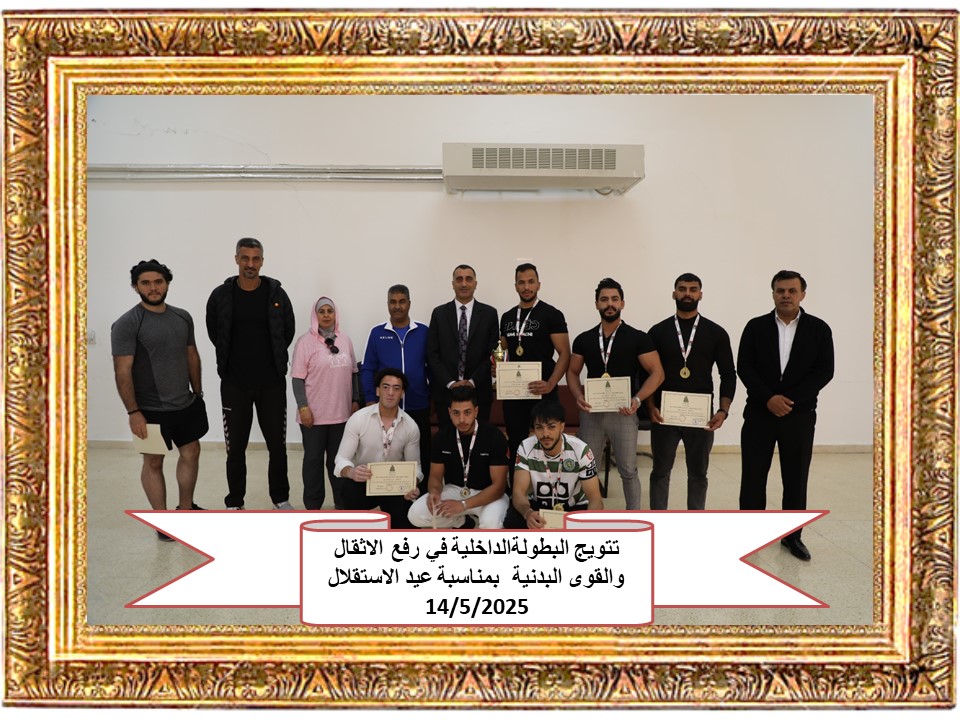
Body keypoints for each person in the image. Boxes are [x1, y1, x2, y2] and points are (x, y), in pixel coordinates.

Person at [737, 270, 835, 561]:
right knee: (753, 477)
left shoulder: (819, 329)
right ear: (773, 294)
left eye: (792, 291)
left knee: (795, 477)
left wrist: (789, 400)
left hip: (799, 416)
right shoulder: (755, 327)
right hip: (760, 413)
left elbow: (824, 371)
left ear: (803, 294)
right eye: (780, 290)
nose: (786, 296)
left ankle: (792, 537)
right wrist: (769, 398)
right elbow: (745, 366)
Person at [111, 259, 209, 541]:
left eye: (158, 282)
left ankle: (186, 509)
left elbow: (191, 355)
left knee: (191, 453)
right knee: (154, 463)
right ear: (135, 287)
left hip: (185, 403)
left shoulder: (182, 317)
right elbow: (122, 370)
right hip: (149, 409)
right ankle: (163, 522)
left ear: (167, 283)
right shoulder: (127, 323)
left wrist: (198, 393)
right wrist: (133, 412)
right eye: (145, 283)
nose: (153, 288)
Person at [205, 237, 295, 511]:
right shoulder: (221, 295)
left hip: (271, 384)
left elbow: (287, 331)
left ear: (262, 262)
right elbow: (214, 332)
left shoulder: (277, 294)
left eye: (255, 259)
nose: (250, 264)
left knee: (277, 446)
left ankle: (280, 498)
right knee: (235, 448)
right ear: (236, 259)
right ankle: (235, 502)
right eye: (245, 258)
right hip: (235, 384)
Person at [566, 278, 665, 510]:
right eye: (604, 299)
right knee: (586, 468)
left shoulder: (638, 338)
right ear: (596, 304)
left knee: (628, 470)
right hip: (592, 413)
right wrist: (577, 395)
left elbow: (658, 373)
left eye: (614, 299)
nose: (609, 304)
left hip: (624, 413)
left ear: (622, 303)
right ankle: (587, 515)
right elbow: (572, 372)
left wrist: (638, 399)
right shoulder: (584, 339)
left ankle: (634, 516)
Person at [646, 273, 736, 510]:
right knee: (660, 471)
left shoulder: (716, 333)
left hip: (701, 415)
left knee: (698, 473)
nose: (687, 293)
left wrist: (723, 411)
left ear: (700, 295)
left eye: (693, 289)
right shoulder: (657, 332)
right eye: (682, 289)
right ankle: (659, 519)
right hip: (664, 415)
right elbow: (647, 374)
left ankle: (694, 521)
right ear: (674, 293)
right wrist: (651, 406)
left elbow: (728, 374)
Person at [498, 263, 571, 479]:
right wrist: (498, 369)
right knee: (516, 443)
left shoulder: (552, 314)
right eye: (521, 282)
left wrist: (550, 383)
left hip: (543, 393)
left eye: (531, 282)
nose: (526, 287)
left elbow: (564, 353)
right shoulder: (507, 317)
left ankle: (552, 487)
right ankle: (517, 490)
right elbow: (503, 352)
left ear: (539, 284)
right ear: (515, 286)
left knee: (548, 442)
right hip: (514, 395)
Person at [407, 385, 510, 529]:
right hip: (455, 490)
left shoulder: (494, 436)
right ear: (449, 412)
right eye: (456, 413)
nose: (461, 419)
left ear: (476, 411)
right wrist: (434, 492)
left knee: (491, 524)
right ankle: (462, 522)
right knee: (416, 514)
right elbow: (435, 476)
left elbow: (498, 487)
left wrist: (463, 505)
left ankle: (468, 515)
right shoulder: (441, 437)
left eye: (467, 412)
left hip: (488, 494)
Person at [291, 296, 360, 510]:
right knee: (313, 462)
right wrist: (303, 407)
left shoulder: (345, 340)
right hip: (314, 416)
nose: (327, 315)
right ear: (315, 315)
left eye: (330, 311)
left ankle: (342, 502)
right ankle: (313, 506)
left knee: (339, 461)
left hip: (341, 415)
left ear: (335, 314)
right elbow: (297, 378)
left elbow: (354, 372)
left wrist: (355, 399)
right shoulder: (305, 342)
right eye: (322, 311)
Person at [334, 368, 422, 528]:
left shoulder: (411, 426)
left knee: (408, 523)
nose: (390, 393)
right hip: (364, 481)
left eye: (396, 388)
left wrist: (412, 483)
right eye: (385, 387)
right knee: (348, 488)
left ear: (402, 393)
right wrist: (351, 472)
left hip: (394, 485)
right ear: (377, 391)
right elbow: (341, 458)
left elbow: (416, 468)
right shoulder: (359, 419)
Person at [360, 284, 431, 474]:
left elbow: (432, 367)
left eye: (402, 301)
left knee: (421, 454)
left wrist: (432, 397)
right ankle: (387, 490)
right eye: (393, 302)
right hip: (386, 407)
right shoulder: (377, 333)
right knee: (387, 454)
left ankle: (421, 490)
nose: (397, 306)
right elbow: (368, 369)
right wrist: (370, 398)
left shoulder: (423, 332)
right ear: (387, 304)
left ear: (409, 303)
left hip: (418, 405)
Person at [506, 399, 603, 529]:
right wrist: (528, 513)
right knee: (512, 520)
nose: (545, 434)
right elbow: (518, 492)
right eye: (539, 427)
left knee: (594, 523)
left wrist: (586, 525)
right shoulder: (526, 446)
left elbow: (595, 499)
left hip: (574, 507)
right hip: (539, 507)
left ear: (562, 427)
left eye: (551, 427)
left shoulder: (580, 450)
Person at [427, 264, 499, 427]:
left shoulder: (489, 314)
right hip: (445, 393)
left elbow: (492, 354)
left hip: (478, 391)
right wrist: (450, 383)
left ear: (475, 283)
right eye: (459, 279)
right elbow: (432, 353)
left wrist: (472, 381)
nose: (464, 284)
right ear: (453, 284)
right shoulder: (439, 314)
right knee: (447, 439)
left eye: (468, 279)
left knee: (480, 439)